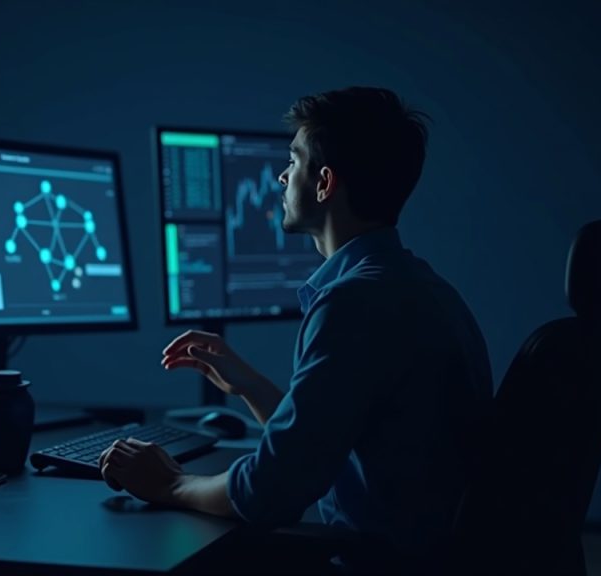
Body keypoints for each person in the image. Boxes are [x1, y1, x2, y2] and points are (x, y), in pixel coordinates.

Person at [98, 87, 493, 568]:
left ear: (324, 183)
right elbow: (319, 447)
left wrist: (171, 484)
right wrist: (249, 384)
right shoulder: (421, 287)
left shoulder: (354, 302)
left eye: (293, 160)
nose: (282, 176)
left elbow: (271, 493)